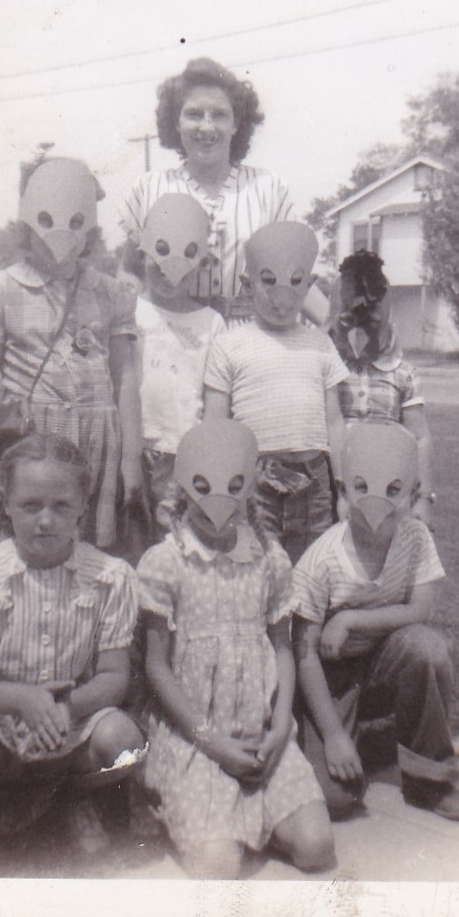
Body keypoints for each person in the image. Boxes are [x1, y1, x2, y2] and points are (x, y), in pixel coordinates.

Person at [0, 433, 145, 863]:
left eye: (61, 506)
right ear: (6, 506)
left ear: (83, 509)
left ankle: (71, 797)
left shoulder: (111, 576)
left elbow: (114, 675)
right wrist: (20, 700)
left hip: (68, 713)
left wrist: (64, 708)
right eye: (31, 505)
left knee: (125, 742)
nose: (46, 520)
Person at [137, 419, 335, 878]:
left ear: (251, 488)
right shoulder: (166, 563)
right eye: (202, 487)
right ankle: (180, 807)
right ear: (183, 488)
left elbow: (282, 649)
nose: (217, 503)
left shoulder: (269, 558)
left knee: (317, 847)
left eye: (233, 485)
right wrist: (212, 741)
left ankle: (254, 816)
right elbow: (156, 667)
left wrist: (282, 724)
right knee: (218, 869)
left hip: (263, 733)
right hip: (196, 739)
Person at [292, 421, 459, 823]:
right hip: (329, 678)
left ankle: (432, 779)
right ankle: (354, 741)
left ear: (411, 496)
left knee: (426, 648)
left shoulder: (416, 537)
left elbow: (420, 611)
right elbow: (303, 653)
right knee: (337, 801)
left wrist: (352, 619)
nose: (378, 504)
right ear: (343, 493)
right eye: (362, 488)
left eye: (394, 491)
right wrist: (335, 736)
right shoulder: (321, 560)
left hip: (382, 660)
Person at [0, 155, 142, 549]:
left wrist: (131, 456)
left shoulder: (110, 292)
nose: (61, 237)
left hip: (98, 437)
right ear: (26, 224)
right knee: (29, 549)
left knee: (93, 554)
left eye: (77, 224)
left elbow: (125, 376)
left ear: (90, 229)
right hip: (31, 436)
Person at [117, 57, 327, 325]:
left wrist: (338, 324)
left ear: (236, 123)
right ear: (176, 122)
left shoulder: (268, 189)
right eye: (194, 114)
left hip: (250, 338)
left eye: (219, 114)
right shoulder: (149, 188)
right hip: (172, 337)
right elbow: (129, 270)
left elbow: (295, 276)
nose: (206, 126)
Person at [203, 221, 348, 563]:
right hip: (255, 477)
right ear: (247, 284)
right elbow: (215, 424)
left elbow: (336, 421)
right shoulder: (229, 345)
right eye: (268, 283)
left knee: (312, 566)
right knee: (256, 565)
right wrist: (222, 485)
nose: (281, 301)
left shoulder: (321, 344)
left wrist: (342, 487)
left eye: (295, 284)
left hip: (314, 477)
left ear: (309, 285)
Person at [133, 192, 227, 538]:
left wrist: (204, 459)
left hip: (183, 456)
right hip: (135, 448)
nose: (168, 272)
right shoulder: (128, 310)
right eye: (158, 260)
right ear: (143, 254)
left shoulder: (210, 321)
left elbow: (216, 397)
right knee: (130, 546)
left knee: (176, 546)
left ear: (202, 263)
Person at [328, 249, 435, 526]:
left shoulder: (403, 373)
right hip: (334, 493)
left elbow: (420, 438)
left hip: (387, 490)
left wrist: (423, 497)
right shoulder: (326, 369)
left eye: (373, 311)